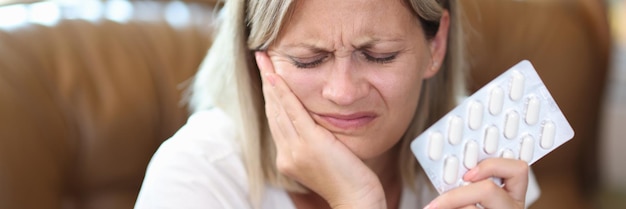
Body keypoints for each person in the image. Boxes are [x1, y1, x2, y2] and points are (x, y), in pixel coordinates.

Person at [135, 0, 530, 208]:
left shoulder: (481, 148)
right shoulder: (196, 175)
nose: (343, 93)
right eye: (309, 59)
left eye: (380, 55)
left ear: (436, 45)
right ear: (256, 57)